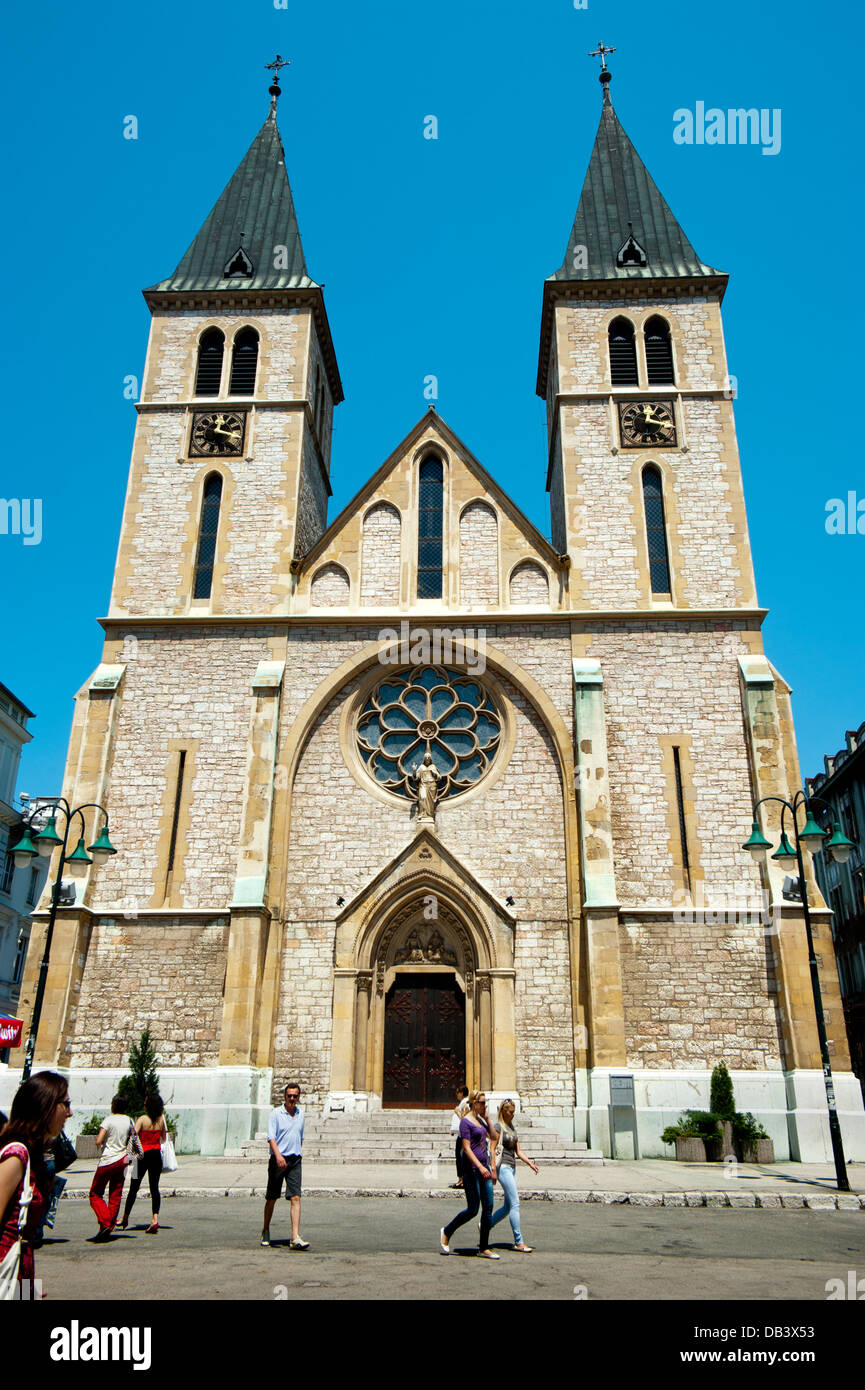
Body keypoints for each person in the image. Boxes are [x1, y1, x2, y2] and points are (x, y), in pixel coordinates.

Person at [0, 1071, 71, 1298]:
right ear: (46, 1105)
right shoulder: (16, 1156)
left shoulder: (32, 1156)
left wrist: (29, 1289)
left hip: (20, 1269)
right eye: (65, 1104)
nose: (69, 1113)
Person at [439, 1089, 498, 1259]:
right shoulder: (465, 1122)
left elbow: (494, 1137)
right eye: (481, 1102)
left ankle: (484, 1247)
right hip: (472, 1170)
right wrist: (480, 1167)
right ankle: (447, 1231)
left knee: (488, 1207)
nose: (484, 1105)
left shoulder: (480, 1121)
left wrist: (487, 1118)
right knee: (473, 1209)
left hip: (484, 1168)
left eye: (485, 1102)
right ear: (473, 1103)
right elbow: (466, 1147)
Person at [261, 1083, 309, 1250]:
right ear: (284, 1096)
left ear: (298, 1097)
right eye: (289, 1096)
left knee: (295, 1197)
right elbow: (271, 1137)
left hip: (295, 1159)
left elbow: (300, 1136)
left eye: (295, 1096)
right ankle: (266, 1229)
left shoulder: (300, 1114)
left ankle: (294, 1237)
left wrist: (297, 1151)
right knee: (272, 1198)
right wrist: (279, 1155)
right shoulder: (275, 1114)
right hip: (278, 1160)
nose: (292, 1099)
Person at [489, 1098, 538, 1252]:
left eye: (514, 1111)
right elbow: (492, 1148)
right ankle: (519, 1241)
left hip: (512, 1166)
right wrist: (493, 1170)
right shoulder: (498, 1127)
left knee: (508, 1206)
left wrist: (530, 1163)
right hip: (503, 1166)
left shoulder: (511, 1127)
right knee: (515, 1203)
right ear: (504, 1112)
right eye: (511, 1112)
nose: (513, 1114)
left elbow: (518, 1150)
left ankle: (486, 1225)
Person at [89, 1094, 135, 1239]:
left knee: (95, 1193)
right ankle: (109, 1224)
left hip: (108, 1159)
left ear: (113, 1105)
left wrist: (103, 1144)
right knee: (115, 1194)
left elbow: (99, 1140)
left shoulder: (109, 1120)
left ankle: (105, 1221)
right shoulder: (129, 1120)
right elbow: (134, 1139)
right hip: (123, 1159)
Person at [119, 1093, 165, 1233]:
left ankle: (125, 1217)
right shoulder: (161, 1119)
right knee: (154, 1188)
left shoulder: (142, 1119)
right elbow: (163, 1138)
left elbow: (133, 1135)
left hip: (141, 1157)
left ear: (148, 1105)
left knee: (134, 1187)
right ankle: (155, 1219)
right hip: (156, 1155)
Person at [449, 1084, 469, 1188]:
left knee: (460, 1156)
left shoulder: (465, 1103)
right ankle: (461, 1179)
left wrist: (457, 1112)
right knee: (460, 1156)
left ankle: (462, 1180)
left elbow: (465, 1118)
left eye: (458, 1092)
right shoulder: (464, 1103)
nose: (457, 1095)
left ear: (461, 1093)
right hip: (461, 1133)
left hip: (463, 1135)